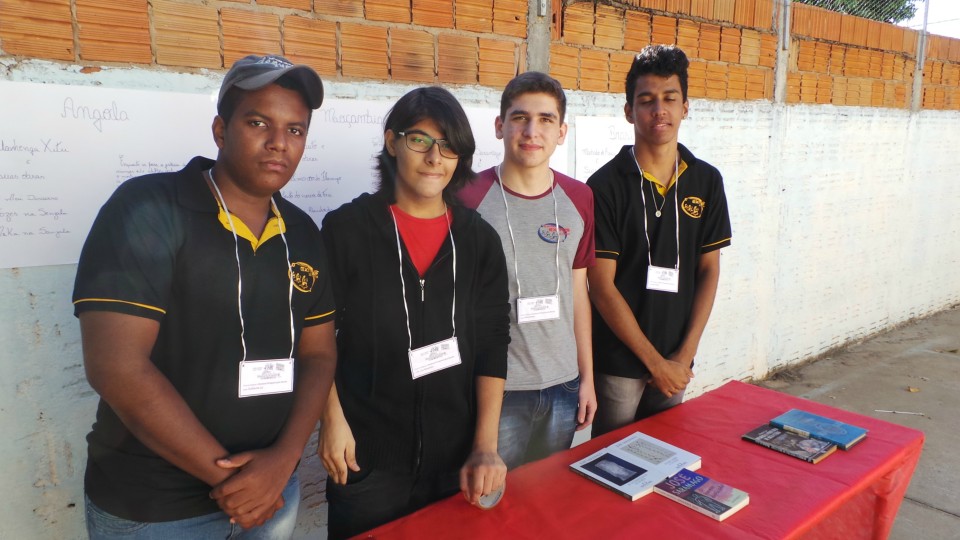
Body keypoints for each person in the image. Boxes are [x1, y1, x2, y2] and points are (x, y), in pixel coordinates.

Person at [72, 54, 337, 538]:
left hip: (274, 493)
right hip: (157, 507)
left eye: (295, 130)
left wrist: (282, 462)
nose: (279, 142)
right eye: (259, 122)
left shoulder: (301, 232)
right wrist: (236, 482)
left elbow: (319, 355)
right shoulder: (150, 209)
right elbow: (117, 366)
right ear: (220, 130)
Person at [318, 86, 511, 539]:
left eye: (448, 146)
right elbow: (316, 334)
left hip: (453, 460)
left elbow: (492, 340)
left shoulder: (479, 240)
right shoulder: (346, 230)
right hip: (364, 458)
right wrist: (331, 420)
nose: (434, 157)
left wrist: (485, 445)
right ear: (392, 143)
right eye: (420, 140)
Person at [586, 45, 732, 437]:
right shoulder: (603, 186)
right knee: (611, 467)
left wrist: (683, 357)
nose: (659, 110)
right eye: (646, 100)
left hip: (677, 360)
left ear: (686, 106)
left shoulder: (706, 181)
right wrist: (655, 364)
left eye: (670, 98)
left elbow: (709, 271)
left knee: (664, 462)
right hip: (619, 363)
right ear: (629, 111)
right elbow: (600, 286)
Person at [458, 71, 597, 470]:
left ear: (562, 131)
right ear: (500, 126)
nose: (532, 130)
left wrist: (586, 377)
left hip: (564, 384)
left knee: (548, 505)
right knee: (490, 507)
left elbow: (578, 292)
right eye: (519, 117)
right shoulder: (466, 196)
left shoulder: (580, 197)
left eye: (546, 119)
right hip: (497, 389)